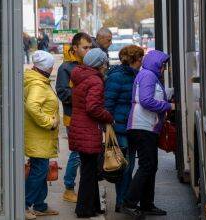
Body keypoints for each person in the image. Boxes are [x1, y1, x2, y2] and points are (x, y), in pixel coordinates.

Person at [122, 50, 173, 217]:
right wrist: (167, 106)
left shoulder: (148, 75)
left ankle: (147, 204)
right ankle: (129, 203)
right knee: (147, 166)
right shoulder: (149, 76)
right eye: (163, 64)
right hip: (142, 127)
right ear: (156, 63)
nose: (164, 68)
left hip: (146, 127)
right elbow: (145, 100)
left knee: (151, 166)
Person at [69, 48, 113, 218]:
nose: (106, 65)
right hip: (88, 130)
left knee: (90, 170)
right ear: (99, 64)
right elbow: (93, 107)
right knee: (89, 172)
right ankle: (84, 209)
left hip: (80, 127)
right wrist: (108, 116)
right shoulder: (95, 80)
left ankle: (92, 206)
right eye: (104, 62)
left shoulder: (80, 76)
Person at [104, 45, 144, 212]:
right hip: (121, 128)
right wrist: (109, 128)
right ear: (134, 59)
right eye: (140, 58)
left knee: (130, 165)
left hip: (132, 127)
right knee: (124, 167)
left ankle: (125, 200)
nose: (142, 61)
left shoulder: (135, 75)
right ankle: (122, 201)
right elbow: (108, 104)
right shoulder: (118, 77)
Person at [55, 32, 92, 203]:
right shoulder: (65, 68)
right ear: (75, 48)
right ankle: (69, 188)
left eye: (90, 47)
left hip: (88, 115)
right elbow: (63, 92)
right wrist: (84, 96)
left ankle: (83, 188)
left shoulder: (89, 63)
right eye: (85, 47)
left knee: (85, 153)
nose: (88, 51)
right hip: (73, 117)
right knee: (77, 153)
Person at [24, 50, 60, 220]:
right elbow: (32, 106)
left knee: (41, 169)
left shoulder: (38, 79)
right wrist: (49, 121)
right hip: (39, 135)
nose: (53, 68)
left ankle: (40, 205)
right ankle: (24, 205)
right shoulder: (38, 84)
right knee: (38, 171)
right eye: (51, 65)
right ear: (46, 67)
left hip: (40, 136)